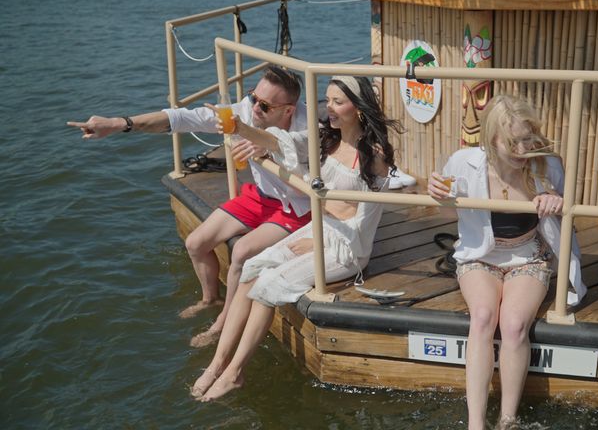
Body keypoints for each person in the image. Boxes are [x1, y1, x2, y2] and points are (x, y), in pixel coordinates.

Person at [67, 65, 310, 347]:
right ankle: (210, 299)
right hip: (260, 197)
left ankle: (223, 321)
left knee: (241, 252)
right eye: (253, 97)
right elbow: (183, 118)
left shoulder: (309, 128)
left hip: (296, 206)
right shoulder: (245, 111)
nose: (255, 108)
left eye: (265, 106)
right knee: (196, 243)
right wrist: (118, 123)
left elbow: (306, 163)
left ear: (289, 110)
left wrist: (269, 147)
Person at [190, 75, 398, 401]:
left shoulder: (373, 154)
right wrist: (239, 127)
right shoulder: (325, 138)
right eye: (328, 100)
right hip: (319, 230)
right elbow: (278, 142)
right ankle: (217, 364)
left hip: (347, 246)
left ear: (358, 109)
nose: (329, 108)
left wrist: (319, 241)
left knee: (268, 284)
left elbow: (363, 218)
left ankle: (235, 372)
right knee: (251, 268)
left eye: (337, 102)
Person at [428, 95, 584, 430]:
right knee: (483, 317)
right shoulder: (463, 162)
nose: (522, 150)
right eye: (513, 142)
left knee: (513, 325)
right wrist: (437, 192)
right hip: (481, 256)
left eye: (528, 139)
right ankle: (476, 423)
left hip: (529, 255)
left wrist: (557, 201)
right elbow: (445, 207)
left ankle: (507, 420)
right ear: (491, 138)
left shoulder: (547, 165)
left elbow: (570, 212)